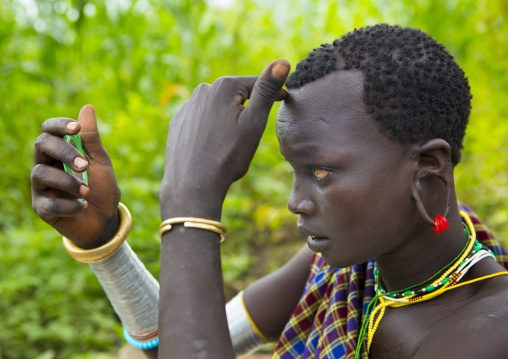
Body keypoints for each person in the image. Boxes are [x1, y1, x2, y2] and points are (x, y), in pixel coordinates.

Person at [31, 24, 508, 359]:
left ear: (428, 170)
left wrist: (189, 201)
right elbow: (176, 341)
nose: (295, 202)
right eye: (293, 172)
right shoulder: (351, 268)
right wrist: (104, 243)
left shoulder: (487, 333)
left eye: (320, 173)